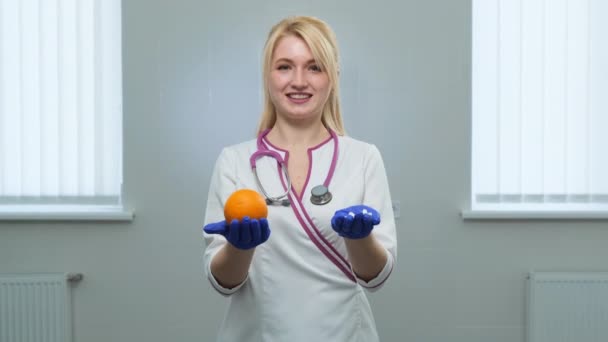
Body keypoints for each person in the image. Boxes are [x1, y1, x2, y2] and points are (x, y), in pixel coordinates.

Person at [202, 15, 397, 342]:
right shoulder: (234, 161)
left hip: (344, 332)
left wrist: (360, 239)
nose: (299, 80)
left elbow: (375, 278)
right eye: (284, 67)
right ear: (268, 76)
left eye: (314, 67)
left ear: (332, 77)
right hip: (258, 332)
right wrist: (239, 247)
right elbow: (224, 282)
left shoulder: (363, 158)